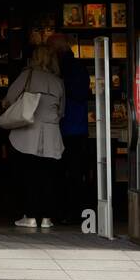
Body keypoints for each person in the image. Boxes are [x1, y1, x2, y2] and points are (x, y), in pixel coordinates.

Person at [2, 45, 65, 229]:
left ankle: (29, 216)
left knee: (29, 175)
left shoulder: (27, 75)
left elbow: (10, 98)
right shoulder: (58, 81)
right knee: (49, 177)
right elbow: (62, 111)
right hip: (52, 134)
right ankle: (46, 218)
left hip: (28, 132)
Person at [48, 33, 91, 225]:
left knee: (63, 172)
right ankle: (74, 211)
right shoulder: (78, 67)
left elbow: (76, 94)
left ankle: (67, 211)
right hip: (77, 127)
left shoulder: (64, 69)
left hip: (67, 127)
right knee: (74, 172)